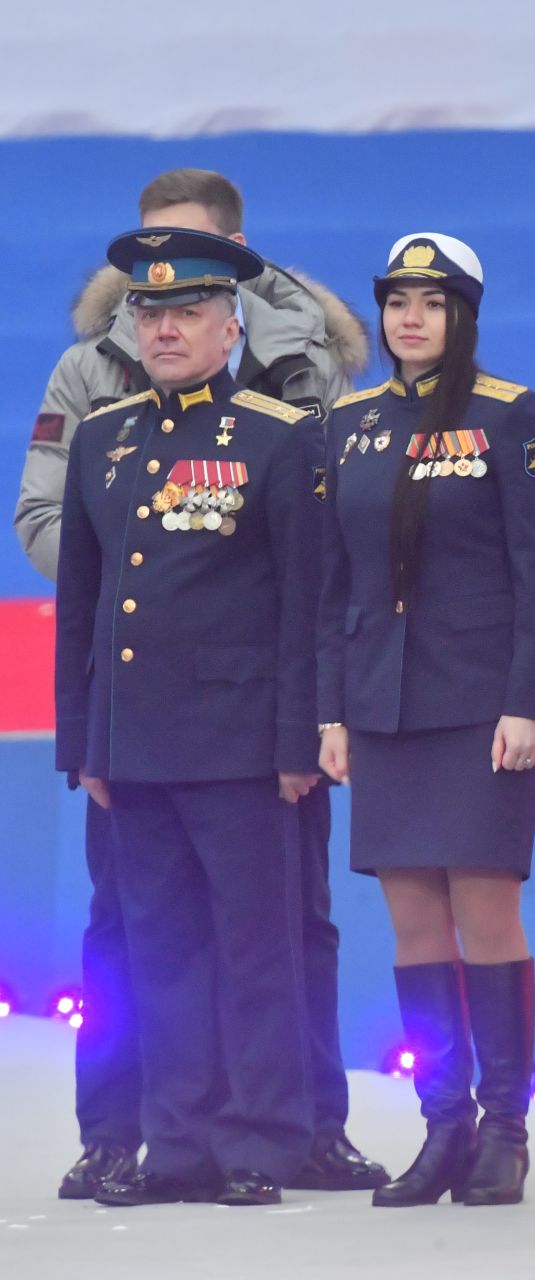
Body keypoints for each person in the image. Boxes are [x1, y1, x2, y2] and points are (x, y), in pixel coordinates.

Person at [19, 168, 379, 1202]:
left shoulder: (285, 419)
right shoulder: (101, 426)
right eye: (151, 307)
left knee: (270, 941)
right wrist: (84, 742)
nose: (165, 324)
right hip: (137, 740)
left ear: (233, 312)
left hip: (247, 738)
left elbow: (311, 593)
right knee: (149, 947)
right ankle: (161, 1140)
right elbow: (84, 596)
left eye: (186, 307)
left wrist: (301, 736)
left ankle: (270, 1138)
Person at [316, 234, 535, 1207]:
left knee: (485, 908)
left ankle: (506, 1127)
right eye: (397, 300)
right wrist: (331, 710)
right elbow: (335, 583)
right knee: (412, 918)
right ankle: (443, 1125)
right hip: (383, 700)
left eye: (433, 300)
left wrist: (527, 702)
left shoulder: (509, 415)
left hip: (479, 702)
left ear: (465, 313)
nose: (410, 317)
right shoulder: (350, 423)